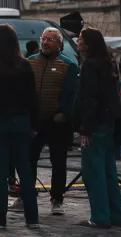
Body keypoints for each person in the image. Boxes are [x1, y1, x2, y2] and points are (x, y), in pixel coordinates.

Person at [0, 24, 39, 229]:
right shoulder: (24, 65)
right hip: (21, 120)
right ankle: (32, 218)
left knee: (0, 172)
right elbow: (32, 97)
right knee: (25, 170)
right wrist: (34, 124)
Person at [19, 27, 78, 216]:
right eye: (43, 39)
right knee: (29, 161)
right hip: (34, 121)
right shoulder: (29, 62)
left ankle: (57, 199)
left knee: (58, 162)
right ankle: (26, 196)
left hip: (57, 122)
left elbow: (71, 93)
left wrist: (64, 113)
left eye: (50, 40)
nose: (45, 42)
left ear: (59, 44)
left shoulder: (69, 65)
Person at [75, 28, 121, 229]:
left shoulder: (90, 65)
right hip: (109, 122)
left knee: (94, 173)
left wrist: (85, 128)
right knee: (108, 171)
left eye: (80, 38)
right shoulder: (108, 63)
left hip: (95, 124)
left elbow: (90, 98)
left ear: (88, 43)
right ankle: (116, 215)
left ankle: (100, 216)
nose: (77, 41)